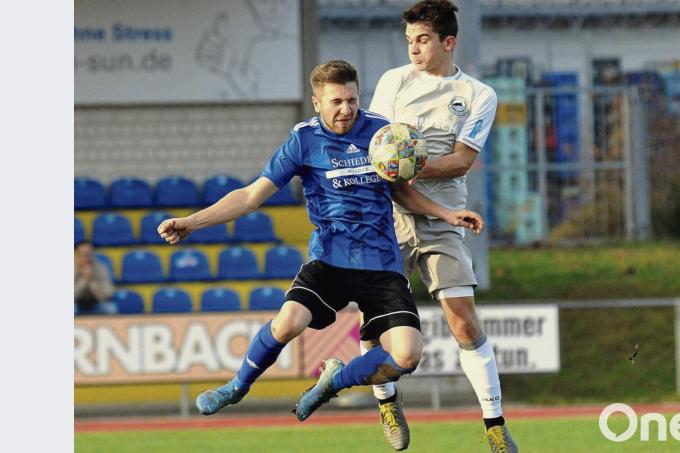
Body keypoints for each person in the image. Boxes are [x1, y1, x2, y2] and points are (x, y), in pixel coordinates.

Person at [157, 60, 484, 427]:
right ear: (317, 102)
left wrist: (447, 214)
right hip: (330, 258)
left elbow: (400, 193)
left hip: (381, 263)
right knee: (287, 323)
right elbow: (250, 196)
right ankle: (237, 386)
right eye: (336, 101)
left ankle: (334, 382)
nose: (346, 109)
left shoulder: (383, 135)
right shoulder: (303, 141)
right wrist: (191, 222)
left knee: (406, 357)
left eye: (351, 100)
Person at [367, 2, 518, 451]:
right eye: (409, 39)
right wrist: (391, 167)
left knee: (464, 324)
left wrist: (412, 166)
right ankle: (387, 401)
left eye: (423, 39)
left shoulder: (477, 95)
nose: (413, 47)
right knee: (373, 325)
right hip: (387, 215)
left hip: (441, 218)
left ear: (448, 42)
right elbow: (375, 143)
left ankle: (494, 423)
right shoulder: (393, 81)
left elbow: (461, 159)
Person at [74, 241, 117, 315]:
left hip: (97, 303)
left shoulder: (101, 268)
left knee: (111, 308)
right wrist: (84, 280)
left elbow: (107, 294)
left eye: (88, 254)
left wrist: (91, 281)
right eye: (83, 255)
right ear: (77, 255)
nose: (86, 258)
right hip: (77, 304)